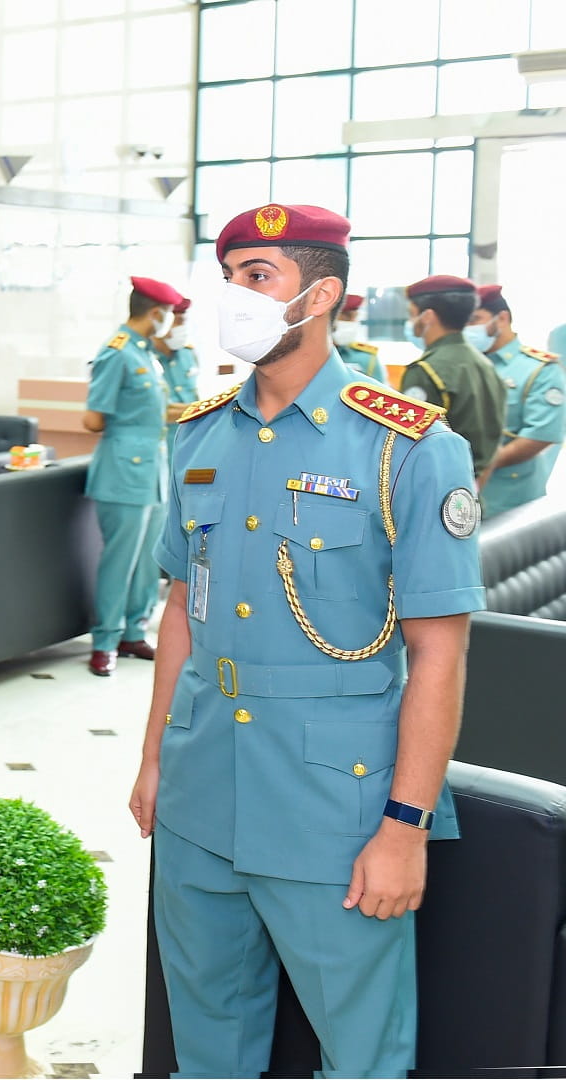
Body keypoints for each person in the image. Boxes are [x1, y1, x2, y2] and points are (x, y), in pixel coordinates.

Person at [132, 202, 481, 1078]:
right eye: (229, 277)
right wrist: (152, 762)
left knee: (360, 1056)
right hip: (202, 791)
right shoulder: (200, 435)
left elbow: (439, 652)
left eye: (259, 277)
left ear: (320, 294)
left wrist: (404, 826)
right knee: (207, 1047)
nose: (234, 296)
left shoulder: (407, 446)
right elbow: (182, 606)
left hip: (338, 808)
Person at [83, 275, 183, 677]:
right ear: (156, 313)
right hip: (123, 471)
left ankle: (133, 631)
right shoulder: (118, 353)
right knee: (120, 560)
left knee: (146, 560)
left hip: (153, 473)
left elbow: (151, 411)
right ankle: (105, 640)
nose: (170, 324)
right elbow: (93, 418)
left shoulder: (146, 353)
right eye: (169, 316)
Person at [400, 275, 506, 484]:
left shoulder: (426, 371)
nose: (411, 323)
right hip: (470, 492)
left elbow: (409, 448)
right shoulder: (484, 364)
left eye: (412, 315)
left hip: (435, 494)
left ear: (427, 316)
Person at [471, 285, 564, 517]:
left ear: (502, 318)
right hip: (460, 497)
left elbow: (540, 435)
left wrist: (479, 467)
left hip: (510, 497)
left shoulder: (538, 369)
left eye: (475, 319)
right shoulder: (463, 366)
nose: (467, 328)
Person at [156, 297, 201, 414]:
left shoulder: (189, 353)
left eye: (183, 322)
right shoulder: (144, 358)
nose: (181, 329)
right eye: (177, 322)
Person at [333, 293, 385, 382]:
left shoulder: (367, 358)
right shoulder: (309, 355)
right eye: (346, 317)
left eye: (355, 318)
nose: (352, 323)